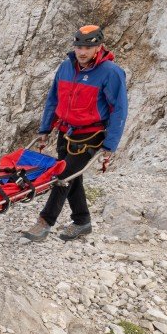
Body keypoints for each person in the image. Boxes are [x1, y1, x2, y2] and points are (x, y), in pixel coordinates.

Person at [22, 24, 129, 242]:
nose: (82, 52)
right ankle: (82, 221)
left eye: (88, 48)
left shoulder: (111, 73)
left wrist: (110, 144)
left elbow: (120, 109)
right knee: (73, 177)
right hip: (65, 131)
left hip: (91, 135)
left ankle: (44, 223)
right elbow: (54, 98)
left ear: (99, 47)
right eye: (79, 46)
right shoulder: (65, 68)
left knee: (63, 177)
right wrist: (45, 127)